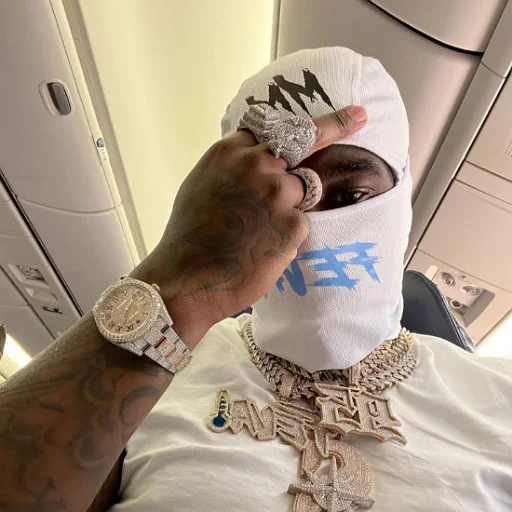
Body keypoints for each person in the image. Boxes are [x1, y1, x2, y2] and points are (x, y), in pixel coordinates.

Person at [0, 47, 511, 512]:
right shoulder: (151, 371)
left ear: (398, 206)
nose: (303, 229)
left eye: (351, 196)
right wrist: (177, 277)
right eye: (278, 198)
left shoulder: (499, 398)